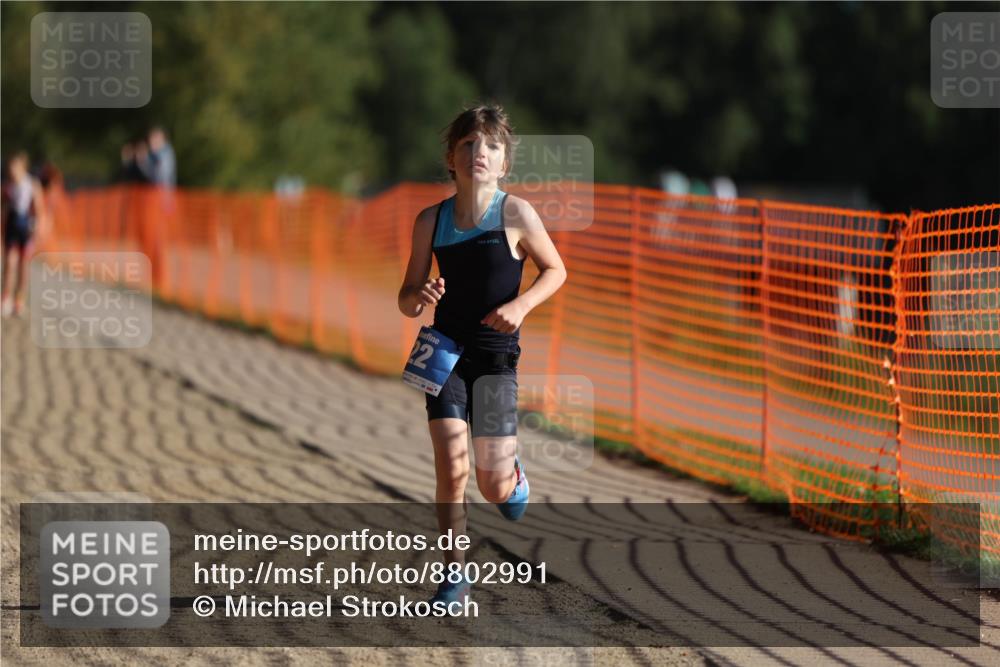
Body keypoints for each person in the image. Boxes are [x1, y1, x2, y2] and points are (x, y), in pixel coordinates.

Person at [397, 104, 567, 606]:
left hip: (494, 358)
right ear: (451, 157)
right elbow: (406, 297)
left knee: (491, 484)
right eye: (469, 145)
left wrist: (521, 304)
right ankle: (454, 576)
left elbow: (555, 270)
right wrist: (419, 297)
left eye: (490, 146)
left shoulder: (515, 213)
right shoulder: (431, 220)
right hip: (444, 355)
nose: (479, 153)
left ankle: (511, 480)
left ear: (504, 163)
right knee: (451, 467)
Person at [1, 151, 46, 317]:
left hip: (26, 229)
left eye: (14, 167)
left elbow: (40, 210)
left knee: (23, 267)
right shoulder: (7, 186)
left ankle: (19, 300)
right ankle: (5, 297)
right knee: (9, 263)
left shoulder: (32, 184)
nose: (11, 170)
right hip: (11, 227)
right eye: (9, 167)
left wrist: (38, 227)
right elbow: (3, 208)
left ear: (22, 167)